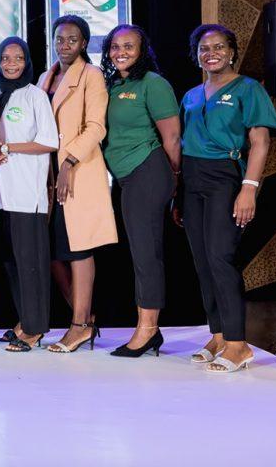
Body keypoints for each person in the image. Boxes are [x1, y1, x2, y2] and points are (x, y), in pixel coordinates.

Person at [177, 24, 276, 374]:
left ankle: (238, 344)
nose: (212, 53)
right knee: (203, 261)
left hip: (225, 177)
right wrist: (179, 193)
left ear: (232, 52)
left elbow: (261, 141)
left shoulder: (248, 89)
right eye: (204, 49)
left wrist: (249, 187)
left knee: (221, 257)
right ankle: (219, 336)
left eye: (219, 47)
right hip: (192, 178)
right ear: (197, 56)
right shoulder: (192, 95)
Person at [38, 15, 118, 353]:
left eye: (72, 39)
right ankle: (84, 319)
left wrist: (69, 162)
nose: (65, 45)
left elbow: (96, 126)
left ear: (84, 43)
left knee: (79, 248)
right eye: (60, 39)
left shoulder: (91, 75)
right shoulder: (46, 76)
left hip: (77, 171)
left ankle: (80, 324)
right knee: (52, 252)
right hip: (47, 175)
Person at [101, 24, 181, 357]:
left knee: (147, 254)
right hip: (128, 177)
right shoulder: (114, 85)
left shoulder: (153, 83)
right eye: (115, 46)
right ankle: (149, 328)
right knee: (139, 252)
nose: (120, 52)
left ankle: (147, 330)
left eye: (128, 46)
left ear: (142, 50)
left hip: (148, 171)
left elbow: (172, 137)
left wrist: (175, 180)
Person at [0, 37, 58, 353]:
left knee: (31, 263)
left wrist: (7, 147)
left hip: (27, 193)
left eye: (18, 58)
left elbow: (49, 141)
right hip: (2, 195)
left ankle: (35, 328)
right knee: (11, 262)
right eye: (5, 58)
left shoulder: (36, 96)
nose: (11, 64)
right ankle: (23, 321)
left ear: (27, 61)